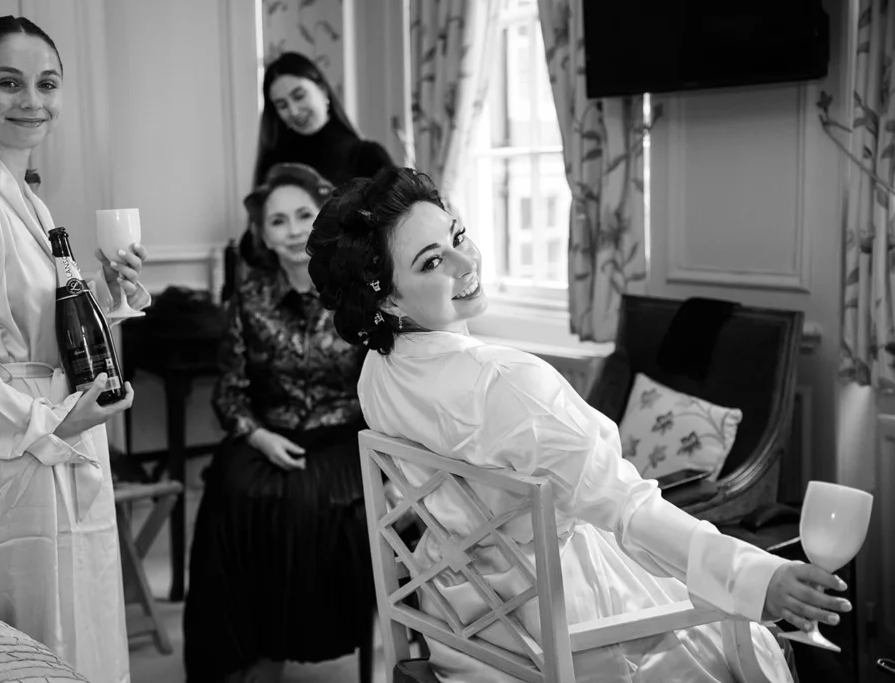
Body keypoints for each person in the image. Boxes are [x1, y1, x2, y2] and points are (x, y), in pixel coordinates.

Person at [306, 167, 851, 683]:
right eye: (430, 262)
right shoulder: (506, 381)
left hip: (462, 619)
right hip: (560, 631)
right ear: (383, 296)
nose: (464, 262)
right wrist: (759, 577)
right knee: (748, 641)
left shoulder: (378, 372)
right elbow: (629, 511)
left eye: (459, 236)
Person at [0, 16, 150, 683]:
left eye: (47, 83)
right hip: (3, 472)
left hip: (56, 453)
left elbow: (35, 327)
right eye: (7, 82)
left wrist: (107, 290)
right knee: (27, 654)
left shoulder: (27, 204)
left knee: (82, 639)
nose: (31, 101)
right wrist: (52, 421)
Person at [183, 163, 375, 683]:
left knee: (308, 501)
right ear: (262, 235)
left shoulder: (359, 292)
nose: (293, 230)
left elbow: (384, 386)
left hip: (347, 434)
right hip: (271, 429)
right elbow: (230, 389)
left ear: (326, 218)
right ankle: (244, 654)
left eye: (304, 215)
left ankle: (308, 639)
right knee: (231, 488)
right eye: (278, 221)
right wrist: (259, 437)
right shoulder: (250, 297)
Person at [253, 51, 393, 188]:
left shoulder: (368, 157)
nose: (294, 112)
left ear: (323, 90)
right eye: (282, 105)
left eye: (299, 96)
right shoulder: (273, 164)